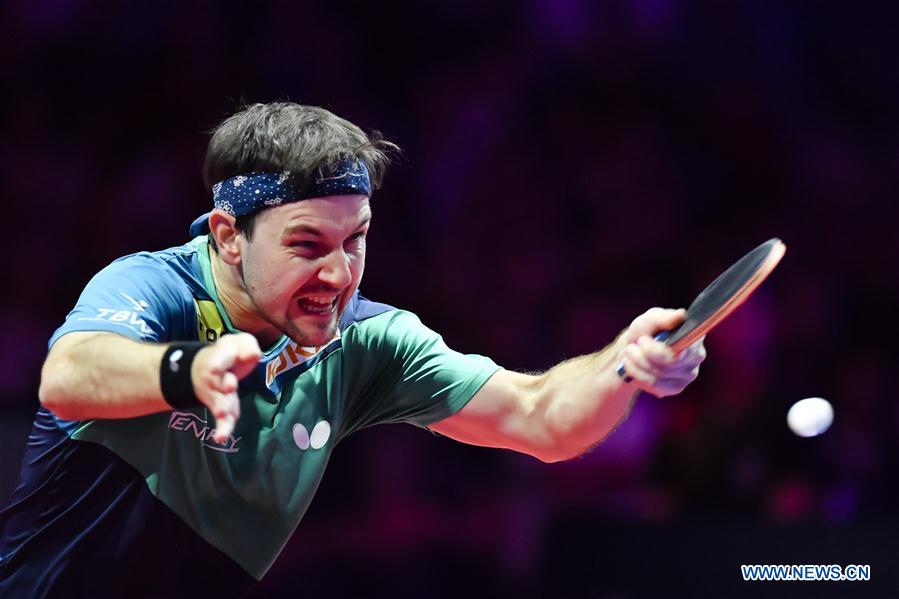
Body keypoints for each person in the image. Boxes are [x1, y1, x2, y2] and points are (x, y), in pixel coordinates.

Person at [0, 102, 706, 596]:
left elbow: (543, 418)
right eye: (306, 244)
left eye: (355, 240)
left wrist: (624, 365)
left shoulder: (366, 340)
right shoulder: (153, 286)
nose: (337, 275)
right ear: (227, 236)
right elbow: (69, 373)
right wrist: (185, 369)